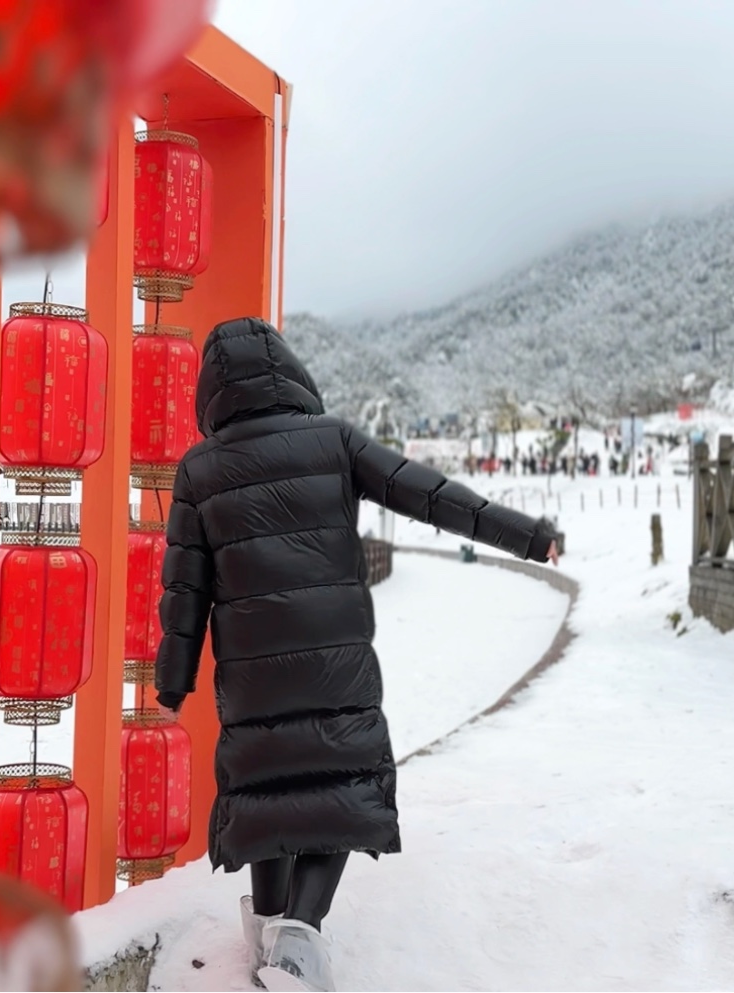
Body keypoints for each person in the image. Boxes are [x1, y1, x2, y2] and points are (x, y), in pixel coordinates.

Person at [154, 318, 559, 992]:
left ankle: (269, 935)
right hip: (332, 658)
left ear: (213, 392)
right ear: (287, 371)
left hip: (252, 674)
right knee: (337, 783)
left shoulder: (200, 468)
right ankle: (299, 940)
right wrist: (528, 535)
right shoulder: (333, 439)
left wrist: (173, 678)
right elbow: (430, 494)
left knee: (268, 789)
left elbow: (184, 586)